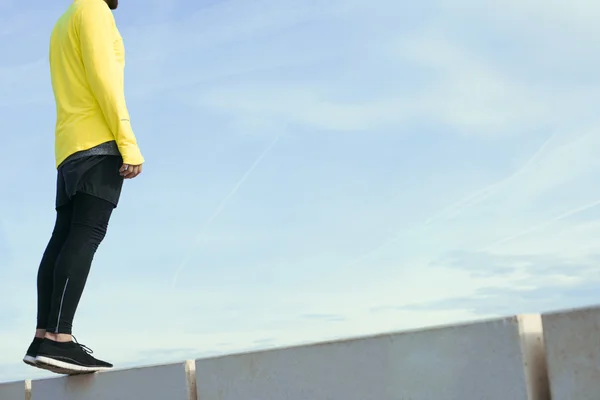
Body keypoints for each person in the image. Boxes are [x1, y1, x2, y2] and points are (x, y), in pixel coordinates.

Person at [22, 0, 144, 374]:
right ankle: (60, 339)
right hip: (97, 142)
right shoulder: (94, 11)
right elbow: (104, 80)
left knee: (63, 237)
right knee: (86, 235)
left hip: (68, 146)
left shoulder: (63, 22)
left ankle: (43, 337)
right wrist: (129, 141)